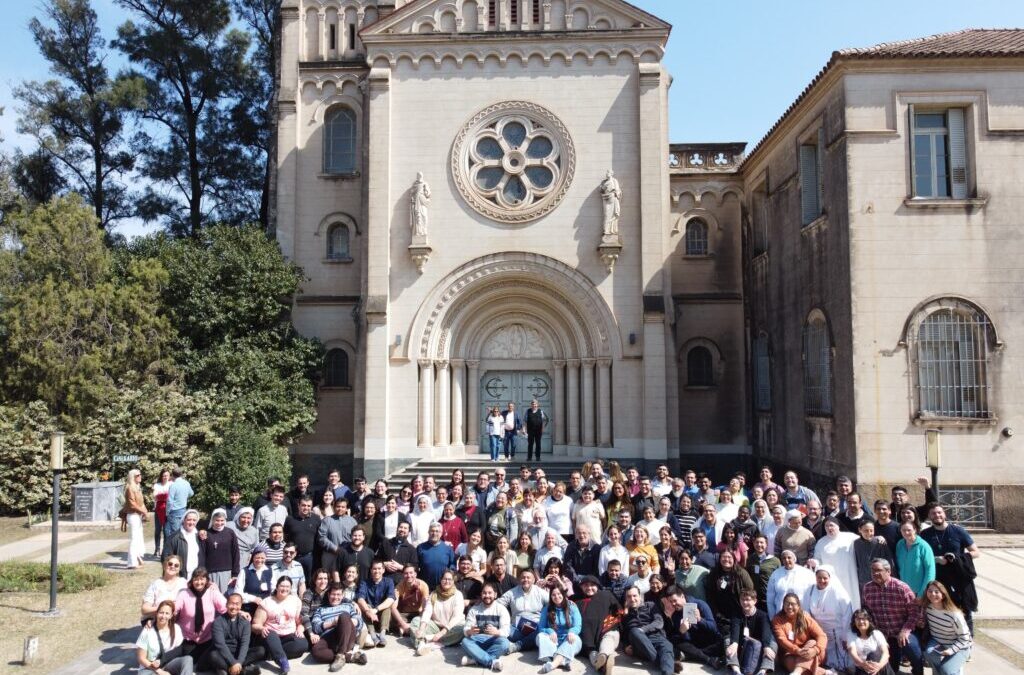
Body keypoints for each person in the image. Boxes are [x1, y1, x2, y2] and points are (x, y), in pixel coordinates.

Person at [920, 504, 980, 635]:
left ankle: (967, 641)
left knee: (964, 610)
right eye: (933, 513)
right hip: (938, 579)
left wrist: (958, 557)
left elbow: (976, 552)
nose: (937, 515)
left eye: (939, 512)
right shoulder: (925, 534)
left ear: (944, 514)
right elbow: (921, 557)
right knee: (941, 609)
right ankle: (946, 637)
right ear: (930, 516)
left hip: (959, 577)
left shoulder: (958, 531)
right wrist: (936, 559)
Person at [860, 559, 923, 675]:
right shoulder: (867, 588)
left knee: (914, 652)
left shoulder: (901, 588)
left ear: (888, 571)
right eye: (872, 570)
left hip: (902, 631)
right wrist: (874, 633)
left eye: (878, 570)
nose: (875, 573)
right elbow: (868, 613)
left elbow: (915, 612)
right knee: (886, 667)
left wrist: (905, 631)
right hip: (883, 635)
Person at [252, 576, 308, 673]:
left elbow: (300, 622)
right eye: (282, 586)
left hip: (289, 636)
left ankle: (272, 652)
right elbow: (255, 625)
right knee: (271, 633)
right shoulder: (267, 602)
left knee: (303, 644)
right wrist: (261, 629)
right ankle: (282, 661)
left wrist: (300, 628)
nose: (285, 589)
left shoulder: (296, 601)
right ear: (277, 587)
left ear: (291, 589)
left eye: (288, 587)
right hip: (271, 636)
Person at [661, 583, 721, 670]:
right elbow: (684, 639)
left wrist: (700, 620)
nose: (673, 604)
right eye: (670, 602)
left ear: (682, 596)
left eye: (675, 600)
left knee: (720, 644)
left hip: (710, 641)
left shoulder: (700, 604)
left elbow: (714, 629)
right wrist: (682, 632)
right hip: (694, 644)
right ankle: (707, 659)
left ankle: (690, 656)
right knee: (676, 641)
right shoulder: (675, 615)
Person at [175, 568, 228, 665]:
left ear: (207, 580)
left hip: (208, 638)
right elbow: (173, 610)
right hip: (188, 639)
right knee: (190, 661)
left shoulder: (212, 592)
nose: (199, 582)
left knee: (211, 660)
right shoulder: (184, 594)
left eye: (202, 579)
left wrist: (240, 612)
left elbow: (226, 608)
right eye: (196, 579)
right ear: (192, 580)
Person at [311, 583, 368, 671]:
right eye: (333, 594)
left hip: (348, 634)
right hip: (329, 636)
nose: (335, 597)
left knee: (344, 616)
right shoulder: (320, 609)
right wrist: (334, 622)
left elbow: (359, 621)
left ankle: (341, 654)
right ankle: (349, 656)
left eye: (338, 595)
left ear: (342, 596)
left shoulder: (348, 606)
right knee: (316, 652)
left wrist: (343, 621)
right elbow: (316, 627)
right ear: (329, 595)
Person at [921, 579, 973, 675]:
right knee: (929, 654)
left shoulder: (954, 615)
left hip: (961, 646)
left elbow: (965, 638)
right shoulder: (927, 608)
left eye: (937, 592)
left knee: (946, 670)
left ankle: (952, 670)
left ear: (943, 594)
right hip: (938, 641)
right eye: (930, 591)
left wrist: (951, 650)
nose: (932, 594)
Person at [807, 566, 853, 671]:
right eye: (819, 578)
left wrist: (845, 636)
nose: (822, 581)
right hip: (819, 631)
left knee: (844, 662)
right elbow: (807, 610)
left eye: (825, 578)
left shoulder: (838, 592)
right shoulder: (811, 590)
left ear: (830, 578)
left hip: (837, 632)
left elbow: (847, 615)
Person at [621, 585, 675, 675]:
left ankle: (667, 672)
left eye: (634, 596)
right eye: (629, 596)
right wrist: (625, 647)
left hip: (655, 636)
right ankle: (664, 662)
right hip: (638, 642)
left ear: (640, 596)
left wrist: (643, 630)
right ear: (626, 599)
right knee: (634, 631)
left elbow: (659, 622)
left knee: (667, 646)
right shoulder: (626, 616)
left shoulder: (650, 605)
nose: (632, 599)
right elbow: (624, 634)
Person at [771, 592, 828, 675]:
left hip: (809, 651)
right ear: (783, 605)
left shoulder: (805, 618)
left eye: (793, 604)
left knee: (812, 642)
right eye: (787, 604)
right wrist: (797, 650)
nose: (790, 607)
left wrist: (815, 650)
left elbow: (821, 635)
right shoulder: (777, 620)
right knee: (794, 665)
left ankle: (796, 672)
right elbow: (782, 640)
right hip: (789, 653)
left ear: (798, 606)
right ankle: (825, 672)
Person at [411, 569, 466, 654]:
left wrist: (442, 633)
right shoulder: (433, 594)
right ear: (440, 580)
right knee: (416, 621)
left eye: (449, 579)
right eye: (444, 579)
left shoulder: (458, 595)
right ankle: (421, 643)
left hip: (451, 628)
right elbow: (427, 611)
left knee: (462, 629)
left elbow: (456, 617)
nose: (447, 581)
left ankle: (428, 640)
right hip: (436, 626)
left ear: (453, 581)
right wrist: (421, 629)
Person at [810, 517, 861, 609]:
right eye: (826, 526)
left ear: (838, 526)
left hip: (849, 576)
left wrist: (878, 537)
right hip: (832, 579)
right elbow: (818, 559)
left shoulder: (850, 537)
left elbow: (866, 540)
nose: (829, 528)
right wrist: (814, 562)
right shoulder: (821, 542)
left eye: (831, 525)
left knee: (852, 600)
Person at [460, 582, 511, 671]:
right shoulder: (474, 610)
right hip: (477, 640)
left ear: (495, 595)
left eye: (489, 593)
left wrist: (497, 632)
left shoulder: (501, 609)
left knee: (505, 643)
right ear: (481, 594)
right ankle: (492, 662)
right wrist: (469, 631)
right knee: (465, 642)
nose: (487, 595)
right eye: (484, 593)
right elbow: (466, 629)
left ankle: (475, 659)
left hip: (493, 640)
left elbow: (506, 631)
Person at [209, 592, 264, 675]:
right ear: (226, 604)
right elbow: (220, 645)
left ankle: (228, 670)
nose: (234, 607)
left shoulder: (245, 622)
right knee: (213, 655)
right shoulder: (218, 622)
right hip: (223, 654)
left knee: (260, 650)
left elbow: (244, 644)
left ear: (241, 605)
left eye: (237, 604)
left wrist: (239, 662)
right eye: (231, 603)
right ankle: (242, 671)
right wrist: (233, 662)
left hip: (238, 652)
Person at [135, 599, 194, 675]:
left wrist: (162, 661)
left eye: (167, 613)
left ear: (171, 615)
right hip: (149, 667)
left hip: (167, 663)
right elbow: (141, 658)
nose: (163, 616)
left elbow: (179, 650)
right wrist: (159, 671)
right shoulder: (147, 631)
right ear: (156, 613)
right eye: (161, 613)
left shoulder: (176, 628)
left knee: (188, 659)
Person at [575, 575, 619, 675]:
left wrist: (609, 623)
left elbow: (618, 611)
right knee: (592, 652)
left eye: (592, 585)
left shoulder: (607, 595)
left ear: (597, 586)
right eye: (586, 585)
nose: (589, 588)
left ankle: (603, 656)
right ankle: (603, 664)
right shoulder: (576, 600)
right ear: (581, 587)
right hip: (588, 641)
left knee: (608, 640)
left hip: (608, 631)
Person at [497, 568, 549, 653]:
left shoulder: (540, 592)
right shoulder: (512, 592)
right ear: (519, 579)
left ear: (533, 579)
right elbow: (498, 604)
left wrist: (568, 603)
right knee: (504, 628)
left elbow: (553, 602)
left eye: (528, 577)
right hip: (516, 628)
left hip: (535, 626)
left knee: (541, 630)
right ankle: (531, 642)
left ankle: (518, 645)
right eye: (523, 577)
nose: (526, 580)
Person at [726, 589, 777, 675]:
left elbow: (766, 632)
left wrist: (766, 647)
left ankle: (763, 671)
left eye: (748, 600)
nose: (745, 602)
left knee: (772, 643)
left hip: (759, 648)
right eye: (742, 599)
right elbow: (735, 629)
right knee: (728, 640)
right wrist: (734, 643)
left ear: (755, 601)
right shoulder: (737, 614)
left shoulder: (762, 615)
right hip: (742, 646)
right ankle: (736, 670)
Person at [706, 549, 755, 636]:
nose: (726, 559)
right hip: (721, 614)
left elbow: (750, 590)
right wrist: (716, 612)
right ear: (720, 559)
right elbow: (710, 594)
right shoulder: (714, 573)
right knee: (725, 637)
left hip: (739, 612)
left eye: (729, 557)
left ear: (734, 559)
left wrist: (745, 608)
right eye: (724, 557)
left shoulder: (741, 573)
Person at [536, 584, 582, 672]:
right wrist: (550, 631)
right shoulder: (547, 609)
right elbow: (541, 627)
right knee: (541, 636)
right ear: (550, 596)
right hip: (553, 641)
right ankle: (563, 661)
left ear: (563, 595)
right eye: (553, 595)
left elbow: (578, 626)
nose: (556, 597)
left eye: (559, 594)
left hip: (567, 640)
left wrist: (572, 631)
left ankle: (553, 664)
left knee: (575, 638)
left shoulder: (572, 607)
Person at [356, 560, 396, 647]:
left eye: (379, 569)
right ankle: (373, 635)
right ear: (371, 570)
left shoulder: (389, 581)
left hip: (382, 615)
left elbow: (391, 598)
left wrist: (376, 610)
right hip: (369, 615)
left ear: (383, 570)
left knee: (387, 606)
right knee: (364, 606)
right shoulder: (365, 583)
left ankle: (382, 634)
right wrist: (368, 610)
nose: (377, 571)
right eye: (374, 569)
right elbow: (360, 599)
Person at [846, 609, 896, 675]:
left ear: (869, 621)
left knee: (873, 655)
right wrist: (863, 664)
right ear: (854, 622)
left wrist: (879, 666)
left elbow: (886, 653)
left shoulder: (877, 633)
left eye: (864, 619)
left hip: (880, 667)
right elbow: (852, 652)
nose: (861, 621)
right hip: (861, 668)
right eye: (858, 619)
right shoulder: (851, 634)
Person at [284, 496, 321, 584]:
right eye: (303, 505)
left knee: (309, 581)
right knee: (293, 580)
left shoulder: (316, 519)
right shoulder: (290, 519)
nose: (306, 508)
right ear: (298, 505)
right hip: (294, 556)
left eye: (308, 506)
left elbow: (319, 538)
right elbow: (285, 536)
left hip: (310, 557)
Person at [319, 498, 357, 582]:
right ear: (334, 507)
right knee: (328, 579)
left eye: (343, 507)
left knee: (347, 578)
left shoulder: (352, 521)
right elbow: (322, 537)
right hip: (330, 554)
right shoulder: (327, 520)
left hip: (348, 554)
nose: (340, 509)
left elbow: (356, 536)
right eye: (338, 506)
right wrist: (335, 548)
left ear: (346, 508)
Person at [766, 550, 815, 615]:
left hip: (801, 614)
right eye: (784, 558)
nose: (786, 560)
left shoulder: (806, 573)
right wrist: (772, 617)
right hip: (781, 614)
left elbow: (813, 592)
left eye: (789, 557)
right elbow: (770, 598)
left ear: (794, 559)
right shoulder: (776, 574)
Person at [202, 509, 239, 594]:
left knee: (224, 596)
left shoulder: (230, 533)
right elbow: (202, 554)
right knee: (211, 595)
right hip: (210, 571)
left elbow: (235, 553)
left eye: (222, 520)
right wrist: (203, 572)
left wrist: (235, 573)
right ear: (212, 520)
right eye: (217, 520)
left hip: (226, 571)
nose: (219, 523)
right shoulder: (206, 534)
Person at [896, 521, 936, 598]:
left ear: (915, 530)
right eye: (903, 530)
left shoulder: (924, 546)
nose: (906, 532)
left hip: (918, 592)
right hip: (902, 591)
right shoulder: (900, 544)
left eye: (909, 530)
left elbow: (930, 571)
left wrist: (922, 593)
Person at [141, 555, 189, 620]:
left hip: (178, 621)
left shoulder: (184, 583)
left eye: (176, 565)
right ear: (164, 566)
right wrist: (164, 608)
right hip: (158, 620)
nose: (172, 566)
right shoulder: (156, 584)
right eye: (170, 564)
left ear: (179, 569)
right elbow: (144, 609)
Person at [853, 520, 894, 589]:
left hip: (880, 579)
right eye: (866, 530)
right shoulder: (856, 544)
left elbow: (889, 561)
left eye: (871, 530)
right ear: (860, 530)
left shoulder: (879, 542)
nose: (869, 533)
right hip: (864, 580)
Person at [744, 534, 779, 612]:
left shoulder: (775, 561)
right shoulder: (750, 559)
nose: (759, 545)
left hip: (770, 598)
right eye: (757, 542)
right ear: (753, 544)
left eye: (761, 542)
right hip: (755, 599)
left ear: (766, 544)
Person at [121, 468, 149, 569]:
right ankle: (131, 563)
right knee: (134, 539)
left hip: (138, 515)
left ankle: (138, 558)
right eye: (138, 475)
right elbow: (132, 504)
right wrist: (143, 511)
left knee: (138, 538)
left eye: (140, 474)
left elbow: (141, 502)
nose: (140, 476)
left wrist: (144, 512)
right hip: (133, 515)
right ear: (133, 477)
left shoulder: (137, 487)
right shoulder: (130, 488)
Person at [393, 564, 430, 636]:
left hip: (418, 614)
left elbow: (425, 607)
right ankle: (407, 628)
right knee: (391, 616)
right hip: (403, 614)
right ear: (403, 575)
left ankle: (408, 629)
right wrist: (403, 624)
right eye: (406, 573)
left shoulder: (423, 585)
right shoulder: (399, 587)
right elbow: (393, 607)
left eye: (411, 573)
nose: (409, 575)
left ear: (415, 574)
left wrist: (421, 619)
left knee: (426, 618)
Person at [235, 545, 274, 614]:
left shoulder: (270, 571)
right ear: (253, 557)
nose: (259, 560)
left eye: (262, 558)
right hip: (248, 608)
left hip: (265, 609)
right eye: (257, 558)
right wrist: (253, 599)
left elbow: (274, 589)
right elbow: (237, 592)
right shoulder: (244, 571)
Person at [164, 468, 194, 556]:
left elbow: (169, 501)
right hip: (183, 509)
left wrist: (167, 512)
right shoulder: (186, 483)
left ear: (173, 475)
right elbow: (191, 493)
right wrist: (183, 496)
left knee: (171, 533)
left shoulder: (173, 485)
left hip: (174, 511)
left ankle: (171, 554)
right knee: (181, 531)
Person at [380, 520, 420, 586]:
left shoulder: (412, 549)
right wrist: (384, 564)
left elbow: (415, 567)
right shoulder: (386, 543)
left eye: (405, 528)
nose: (402, 530)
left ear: (409, 532)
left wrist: (401, 567)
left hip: (402, 585)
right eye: (401, 527)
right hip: (384, 582)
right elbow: (376, 560)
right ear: (397, 528)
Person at [418, 522, 457, 589]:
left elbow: (453, 566)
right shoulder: (421, 547)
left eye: (437, 531)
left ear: (441, 534)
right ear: (428, 532)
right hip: (425, 587)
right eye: (432, 531)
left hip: (443, 587)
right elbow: (416, 566)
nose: (434, 533)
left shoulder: (448, 548)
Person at [167, 509, 203, 579]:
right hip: (180, 576)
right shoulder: (174, 537)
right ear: (183, 520)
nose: (191, 522)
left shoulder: (199, 536)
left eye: (194, 520)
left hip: (196, 576)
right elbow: (167, 558)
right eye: (189, 519)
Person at [301, 568, 331, 641]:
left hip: (326, 624)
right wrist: (311, 633)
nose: (323, 581)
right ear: (315, 580)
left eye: (325, 578)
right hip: (311, 627)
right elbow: (304, 614)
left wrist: (353, 602)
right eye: (320, 579)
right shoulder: (308, 594)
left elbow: (340, 598)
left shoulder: (329, 591)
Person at [153, 469, 172, 557]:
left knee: (166, 531)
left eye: (167, 475)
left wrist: (162, 496)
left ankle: (165, 549)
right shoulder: (157, 485)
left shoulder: (171, 484)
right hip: (158, 510)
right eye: (164, 475)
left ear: (169, 476)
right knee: (157, 530)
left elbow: (170, 497)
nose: (165, 477)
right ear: (161, 476)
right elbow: (155, 497)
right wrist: (164, 496)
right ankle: (157, 548)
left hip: (167, 511)